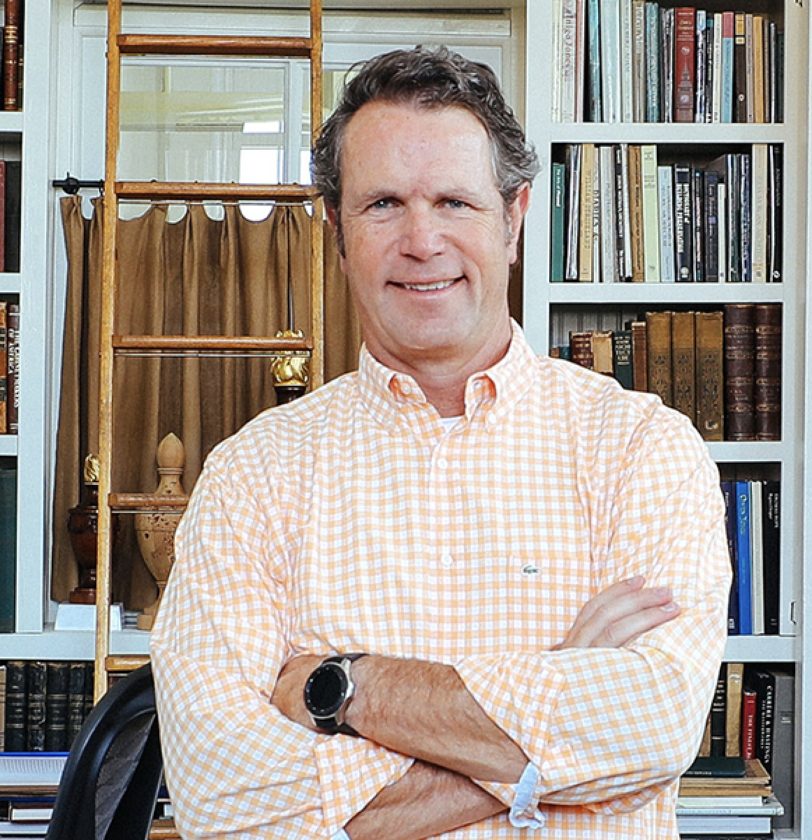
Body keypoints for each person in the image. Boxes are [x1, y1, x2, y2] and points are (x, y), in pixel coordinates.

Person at [150, 46, 731, 839]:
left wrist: (344, 688)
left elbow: (653, 726)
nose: (422, 241)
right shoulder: (252, 474)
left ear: (514, 219)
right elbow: (223, 798)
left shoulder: (640, 448)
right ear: (337, 231)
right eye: (384, 204)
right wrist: (560, 710)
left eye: (454, 201)